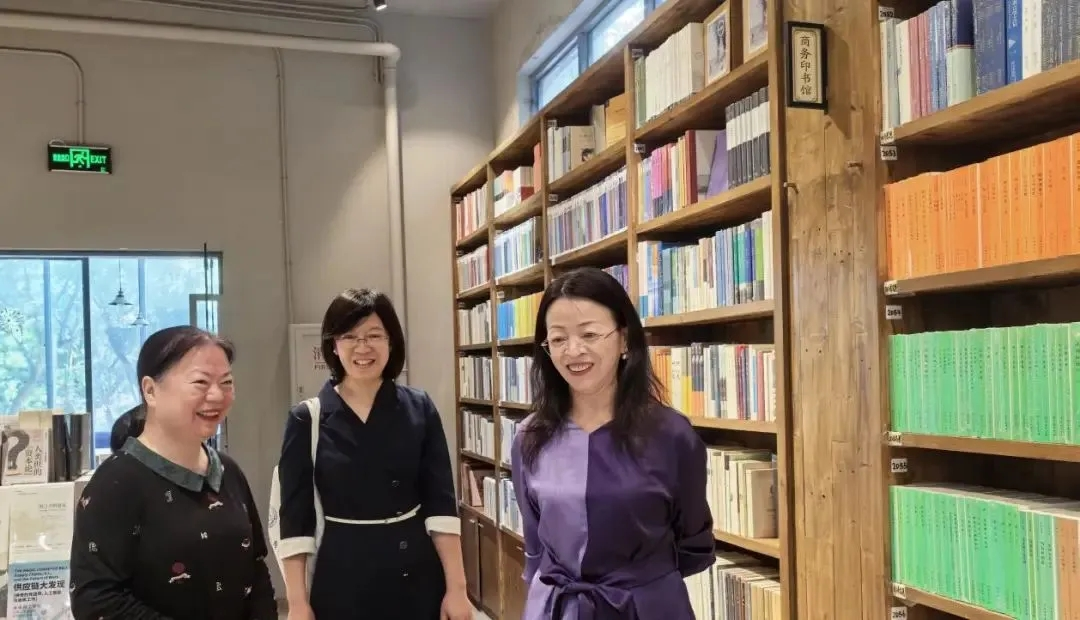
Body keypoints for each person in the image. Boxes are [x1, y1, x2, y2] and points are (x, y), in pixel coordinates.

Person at [511, 267, 715, 619]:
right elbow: (535, 542)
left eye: (589, 334)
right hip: (559, 608)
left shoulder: (671, 434)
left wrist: (639, 581)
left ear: (624, 340)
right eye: (557, 339)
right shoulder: (530, 436)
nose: (573, 350)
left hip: (646, 607)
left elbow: (694, 543)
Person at [275, 288, 472, 620]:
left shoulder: (419, 408)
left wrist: (458, 589)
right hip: (341, 578)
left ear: (391, 342)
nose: (362, 347)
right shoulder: (306, 418)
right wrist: (296, 603)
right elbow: (295, 520)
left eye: (374, 335)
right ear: (333, 345)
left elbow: (441, 505)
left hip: (416, 574)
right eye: (349, 336)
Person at [70, 326, 277, 620]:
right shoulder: (116, 482)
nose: (217, 395)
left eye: (227, 382)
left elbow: (255, 566)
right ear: (150, 390)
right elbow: (97, 601)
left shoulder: (227, 470)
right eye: (200, 382)